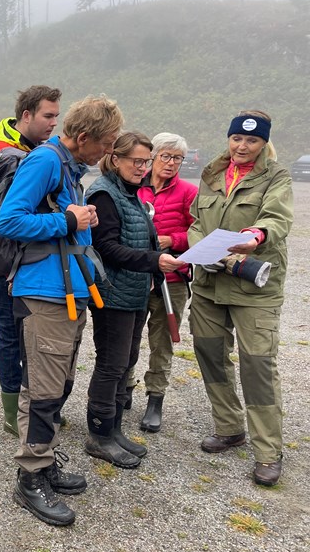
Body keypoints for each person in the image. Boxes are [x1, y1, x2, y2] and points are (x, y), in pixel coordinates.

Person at [0, 95, 124, 527]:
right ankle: (29, 478)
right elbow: (8, 221)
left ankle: (44, 462)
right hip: (44, 295)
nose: (107, 153)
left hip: (67, 293)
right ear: (84, 137)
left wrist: (76, 220)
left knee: (59, 384)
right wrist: (68, 222)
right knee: (45, 391)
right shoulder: (46, 162)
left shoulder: (69, 169)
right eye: (105, 144)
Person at [189, 110, 292, 486]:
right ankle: (229, 427)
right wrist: (202, 250)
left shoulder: (276, 176)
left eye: (251, 141)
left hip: (254, 287)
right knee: (210, 353)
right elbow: (197, 222)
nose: (242, 146)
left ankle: (267, 451)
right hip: (210, 282)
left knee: (257, 365)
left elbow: (277, 219)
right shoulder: (212, 174)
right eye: (237, 139)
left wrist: (255, 236)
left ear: (263, 143)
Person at [84, 132, 185, 469]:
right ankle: (98, 434)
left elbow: (143, 239)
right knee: (111, 364)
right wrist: (153, 261)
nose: (143, 168)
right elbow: (107, 248)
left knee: (126, 360)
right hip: (112, 295)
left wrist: (152, 270)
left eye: (146, 161)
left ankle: (112, 430)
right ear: (116, 159)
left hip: (135, 292)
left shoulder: (131, 195)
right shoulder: (104, 195)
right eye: (136, 161)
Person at [0, 85, 62, 437]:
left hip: (33, 256)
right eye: (47, 116)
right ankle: (13, 412)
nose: (54, 123)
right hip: (7, 257)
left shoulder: (37, 150)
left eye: (57, 116)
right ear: (26, 115)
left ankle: (35, 406)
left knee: (35, 336)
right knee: (11, 335)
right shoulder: (0, 153)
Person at [127, 133, 197, 432]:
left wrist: (174, 240)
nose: (171, 163)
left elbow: (200, 233)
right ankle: (124, 387)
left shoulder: (189, 192)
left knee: (162, 341)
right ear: (153, 157)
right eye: (166, 156)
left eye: (177, 158)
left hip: (173, 278)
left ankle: (155, 399)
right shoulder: (134, 187)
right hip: (135, 275)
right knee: (126, 336)